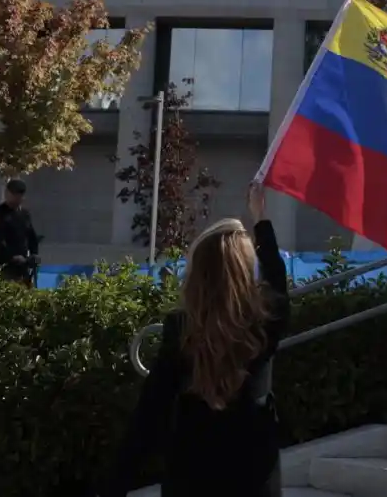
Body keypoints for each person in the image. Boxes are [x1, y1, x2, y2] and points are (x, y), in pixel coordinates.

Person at [102, 183, 290, 497]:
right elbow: (277, 280)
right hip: (253, 473)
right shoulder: (266, 321)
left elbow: (151, 411)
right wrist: (261, 220)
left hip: (192, 473)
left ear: (197, 273)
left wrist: (117, 481)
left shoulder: (181, 328)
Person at [0, 179, 40, 287]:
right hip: (2, 267)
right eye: (13, 194)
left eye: (19, 195)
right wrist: (12, 257)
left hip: (22, 268)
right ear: (7, 193)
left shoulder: (24, 214)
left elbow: (32, 236)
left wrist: (34, 254)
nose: (16, 198)